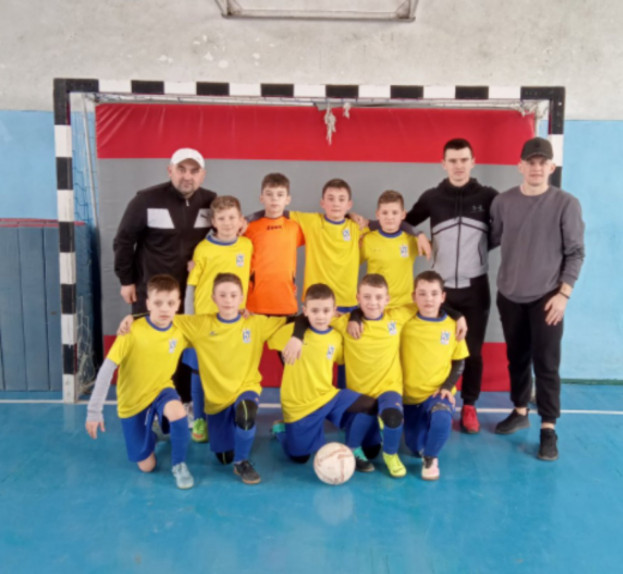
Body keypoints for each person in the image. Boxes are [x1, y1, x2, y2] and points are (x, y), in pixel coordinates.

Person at [490, 137, 585, 461]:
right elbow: (491, 238)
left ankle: (548, 428)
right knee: (517, 358)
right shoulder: (503, 202)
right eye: (530, 162)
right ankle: (520, 411)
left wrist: (563, 294)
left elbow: (576, 252)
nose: (536, 168)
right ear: (520, 166)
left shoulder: (566, 204)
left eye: (542, 162)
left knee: (546, 363)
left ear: (551, 167)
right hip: (510, 295)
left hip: (548, 298)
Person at [405, 138, 498, 434]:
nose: (459, 166)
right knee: (433, 349)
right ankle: (430, 398)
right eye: (453, 161)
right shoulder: (432, 197)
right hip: (440, 290)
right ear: (443, 164)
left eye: (464, 160)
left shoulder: (489, 196)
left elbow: (504, 229)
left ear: (473, 162)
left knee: (472, 351)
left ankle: (469, 406)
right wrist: (418, 233)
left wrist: (480, 251)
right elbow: (404, 222)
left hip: (475, 287)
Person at [113, 147, 217, 405]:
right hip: (152, 291)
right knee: (151, 348)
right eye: (181, 169)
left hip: (191, 294)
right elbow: (124, 240)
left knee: (186, 347)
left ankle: (184, 403)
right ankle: (148, 403)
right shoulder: (145, 200)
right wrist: (126, 280)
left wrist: (244, 225)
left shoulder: (211, 201)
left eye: (194, 171)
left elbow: (229, 225)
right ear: (170, 170)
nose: (187, 176)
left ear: (203, 175)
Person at [85, 275, 194, 490]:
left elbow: (213, 323)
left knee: (179, 413)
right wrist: (94, 411)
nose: (165, 309)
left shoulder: (181, 328)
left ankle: (179, 465)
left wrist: (241, 314)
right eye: (158, 303)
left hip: (161, 390)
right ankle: (152, 432)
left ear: (178, 304)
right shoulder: (131, 331)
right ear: (148, 303)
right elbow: (107, 369)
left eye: (170, 303)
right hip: (133, 401)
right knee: (147, 466)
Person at [268, 283, 377, 465]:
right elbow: (268, 337)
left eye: (326, 310)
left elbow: (342, 357)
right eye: (315, 310)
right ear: (305, 311)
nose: (320, 316)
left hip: (327, 396)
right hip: (299, 405)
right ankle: (282, 430)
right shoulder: (290, 333)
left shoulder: (336, 337)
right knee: (300, 458)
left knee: (369, 404)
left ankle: (353, 447)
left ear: (334, 311)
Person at [182, 196, 252, 443]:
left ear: (241, 220)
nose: (227, 223)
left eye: (232, 217)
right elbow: (191, 286)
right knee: (199, 370)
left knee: (227, 368)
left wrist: (246, 307)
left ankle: (228, 414)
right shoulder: (203, 249)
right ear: (213, 222)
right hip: (204, 319)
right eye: (221, 218)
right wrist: (190, 320)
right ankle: (199, 419)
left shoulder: (246, 245)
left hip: (233, 321)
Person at [401, 270, 469, 481]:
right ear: (414, 296)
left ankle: (431, 458)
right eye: (422, 293)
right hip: (408, 397)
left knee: (441, 417)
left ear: (443, 297)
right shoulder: (404, 322)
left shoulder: (452, 326)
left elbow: (459, 361)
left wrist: (447, 386)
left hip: (436, 393)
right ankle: (420, 437)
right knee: (414, 447)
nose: (428, 299)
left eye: (434, 293)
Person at [244, 173, 305, 316]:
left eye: (280, 194)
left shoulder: (295, 227)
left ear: (288, 199)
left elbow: (323, 229)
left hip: (285, 303)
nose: (274, 199)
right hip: (254, 304)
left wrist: (349, 216)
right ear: (261, 198)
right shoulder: (248, 227)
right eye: (269, 194)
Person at [361, 190, 422, 308]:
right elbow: (350, 265)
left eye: (394, 212)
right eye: (385, 213)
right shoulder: (367, 240)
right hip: (376, 306)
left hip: (405, 306)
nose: (389, 217)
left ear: (403, 215)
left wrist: (421, 235)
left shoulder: (412, 240)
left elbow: (437, 249)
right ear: (377, 214)